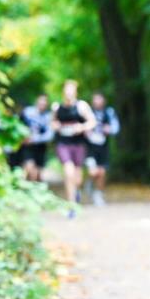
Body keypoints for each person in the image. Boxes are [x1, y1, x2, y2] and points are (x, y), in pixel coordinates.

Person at [51, 80, 96, 217]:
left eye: (71, 90)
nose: (69, 92)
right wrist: (56, 125)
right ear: (63, 91)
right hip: (63, 143)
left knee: (77, 177)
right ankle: (71, 205)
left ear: (75, 92)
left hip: (79, 144)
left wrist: (81, 127)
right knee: (68, 172)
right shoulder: (57, 107)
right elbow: (52, 122)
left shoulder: (81, 106)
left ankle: (75, 192)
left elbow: (92, 122)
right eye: (67, 89)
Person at [85, 92, 120, 206]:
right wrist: (85, 130)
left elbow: (116, 128)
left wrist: (108, 129)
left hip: (103, 147)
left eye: (99, 99)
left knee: (102, 172)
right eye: (95, 99)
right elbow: (80, 126)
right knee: (93, 171)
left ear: (104, 100)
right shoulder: (87, 112)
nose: (96, 102)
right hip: (90, 148)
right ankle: (89, 182)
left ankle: (98, 194)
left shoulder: (109, 112)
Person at [20, 94, 54, 182]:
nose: (42, 103)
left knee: (38, 175)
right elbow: (19, 125)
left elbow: (50, 135)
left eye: (45, 101)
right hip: (27, 146)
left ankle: (35, 191)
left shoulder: (49, 116)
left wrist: (34, 139)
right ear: (37, 101)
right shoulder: (27, 112)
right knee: (30, 170)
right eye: (41, 100)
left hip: (41, 147)